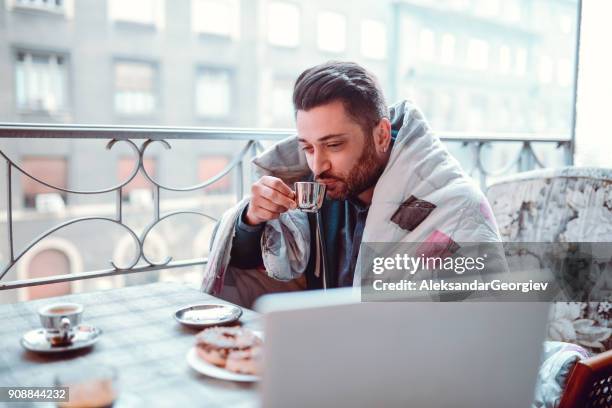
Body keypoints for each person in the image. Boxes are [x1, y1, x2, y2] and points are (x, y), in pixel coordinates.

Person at [201, 61, 501, 307]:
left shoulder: (455, 206)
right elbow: (248, 271)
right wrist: (252, 221)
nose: (318, 166)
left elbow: (479, 327)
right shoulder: (316, 192)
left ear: (381, 135)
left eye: (333, 145)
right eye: (307, 147)